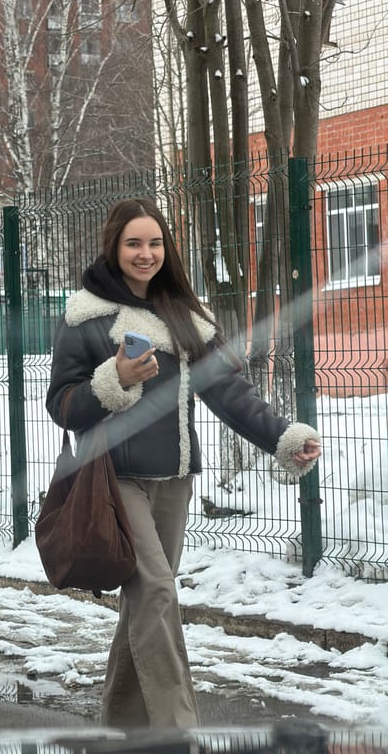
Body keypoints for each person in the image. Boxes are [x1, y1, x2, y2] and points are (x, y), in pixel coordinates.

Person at [45, 197, 322, 730]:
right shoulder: (87, 317)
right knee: (156, 593)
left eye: (154, 243)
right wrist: (115, 380)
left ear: (166, 248)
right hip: (113, 479)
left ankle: (121, 728)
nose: (145, 254)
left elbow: (230, 394)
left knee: (146, 604)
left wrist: (284, 437)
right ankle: (178, 732)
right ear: (114, 247)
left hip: (174, 482)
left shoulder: (185, 316)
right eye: (133, 244)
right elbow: (61, 404)